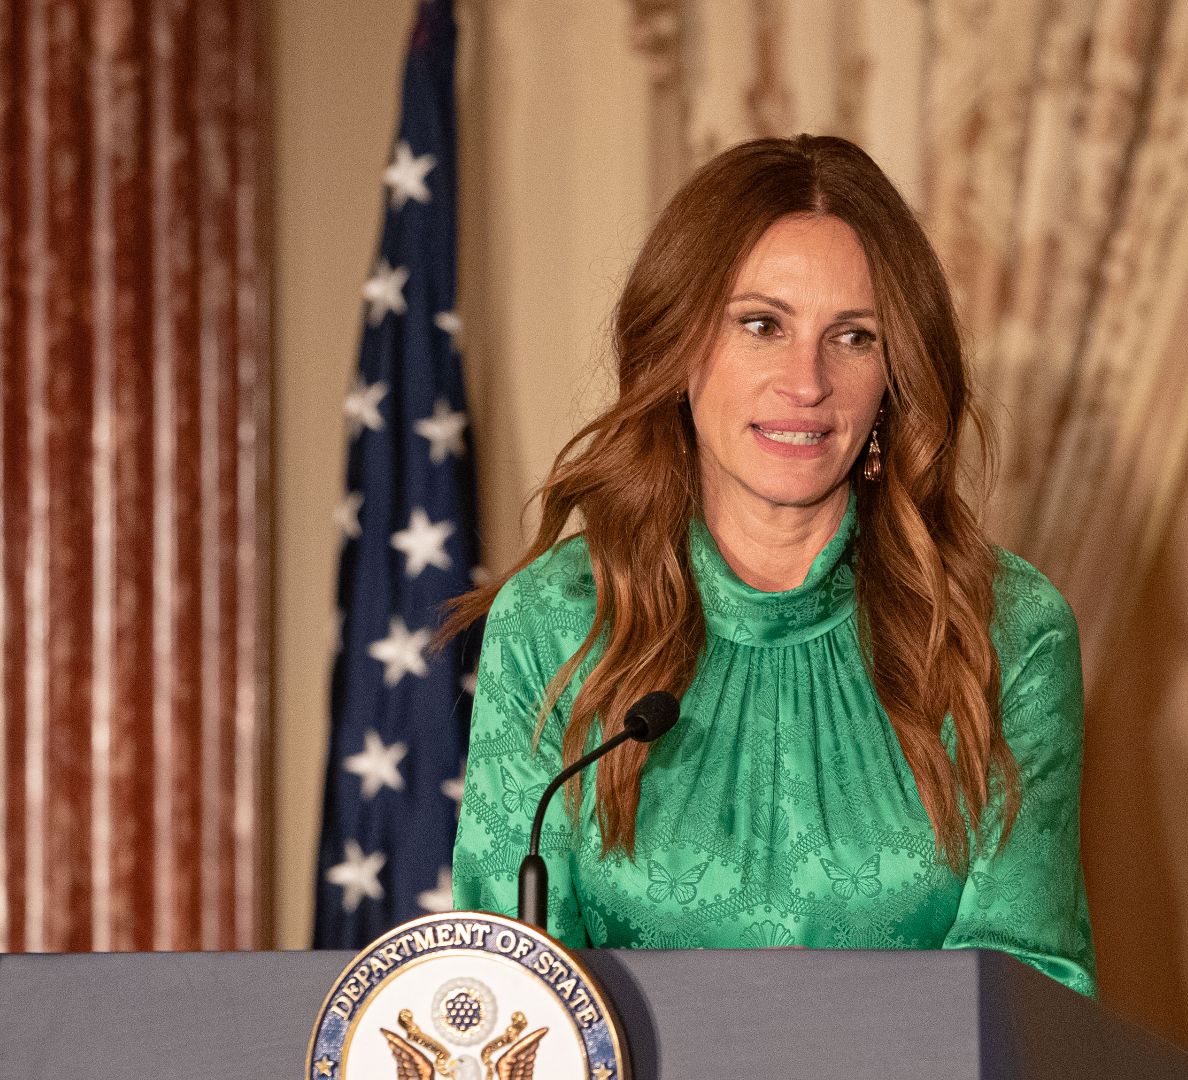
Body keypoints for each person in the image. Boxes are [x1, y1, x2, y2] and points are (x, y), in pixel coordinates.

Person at [444, 134, 1095, 996]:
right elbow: (506, 995)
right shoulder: (557, 618)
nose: (807, 381)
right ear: (679, 352)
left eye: (853, 337)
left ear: (892, 377)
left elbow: (1028, 988)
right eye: (762, 324)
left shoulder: (1006, 628)